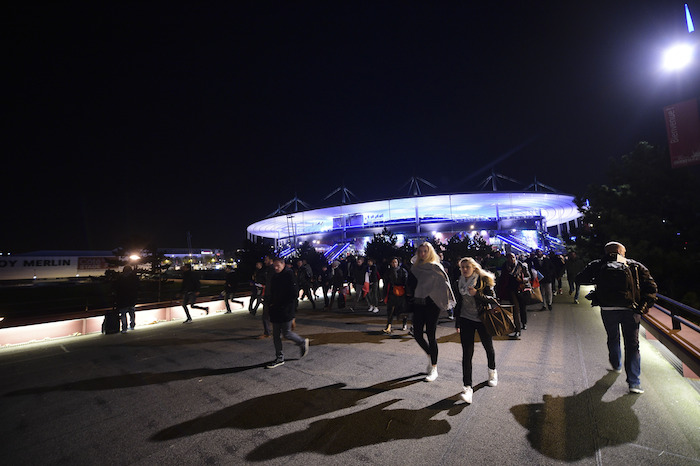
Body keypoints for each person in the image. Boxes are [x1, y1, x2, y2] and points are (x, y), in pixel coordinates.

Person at [576, 241, 657, 394]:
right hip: (630, 310)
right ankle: (634, 383)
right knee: (633, 345)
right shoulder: (635, 265)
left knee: (613, 337)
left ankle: (616, 364)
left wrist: (597, 275)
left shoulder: (598, 264)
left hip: (607, 309)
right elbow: (651, 287)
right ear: (622, 251)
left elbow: (580, 278)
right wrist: (645, 306)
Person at [408, 242, 456, 382]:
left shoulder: (436, 267)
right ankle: (430, 354)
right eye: (420, 251)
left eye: (425, 251)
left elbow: (445, 285)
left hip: (432, 304)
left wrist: (440, 297)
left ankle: (434, 368)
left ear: (430, 253)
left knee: (431, 334)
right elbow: (410, 284)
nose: (422, 254)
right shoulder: (415, 267)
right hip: (418, 303)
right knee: (417, 334)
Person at [453, 257, 498, 404]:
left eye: (467, 267)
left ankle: (492, 372)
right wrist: (457, 322)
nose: (464, 270)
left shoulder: (482, 280)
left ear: (473, 268)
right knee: (467, 354)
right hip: (466, 320)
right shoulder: (459, 282)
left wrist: (477, 294)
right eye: (462, 267)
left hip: (482, 320)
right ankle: (467, 387)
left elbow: (493, 299)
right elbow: (458, 304)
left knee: (488, 348)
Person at [266, 257, 310, 368]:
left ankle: (301, 342)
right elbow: (272, 291)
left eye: (278, 266)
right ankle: (279, 358)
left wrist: (292, 311)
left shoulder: (289, 275)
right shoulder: (275, 275)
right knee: (276, 335)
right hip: (275, 309)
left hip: (286, 310)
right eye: (274, 266)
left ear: (283, 264)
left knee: (287, 333)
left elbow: (294, 294)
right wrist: (270, 303)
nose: (276, 268)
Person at [498, 253, 530, 337]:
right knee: (515, 310)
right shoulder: (505, 266)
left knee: (522, 307)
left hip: (521, 289)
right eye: (509, 258)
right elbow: (502, 278)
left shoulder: (521, 265)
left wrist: (522, 280)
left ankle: (524, 322)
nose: (511, 260)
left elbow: (528, 277)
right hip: (511, 290)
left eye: (512, 258)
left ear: (515, 258)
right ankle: (517, 330)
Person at [383, 257, 408, 334]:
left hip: (401, 292)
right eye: (393, 262)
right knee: (390, 310)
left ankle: (404, 323)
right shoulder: (388, 272)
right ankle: (389, 325)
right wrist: (384, 295)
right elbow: (385, 284)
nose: (394, 264)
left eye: (395, 262)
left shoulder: (403, 271)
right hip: (391, 292)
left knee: (402, 309)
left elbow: (406, 282)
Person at [115, 265, 139, 333]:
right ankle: (132, 325)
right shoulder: (134, 278)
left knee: (123, 314)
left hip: (122, 299)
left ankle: (124, 328)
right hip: (132, 299)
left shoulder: (120, 278)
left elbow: (117, 288)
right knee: (132, 313)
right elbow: (137, 287)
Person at [259, 255, 275, 338]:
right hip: (268, 295)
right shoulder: (267, 270)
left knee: (266, 315)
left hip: (271, 296)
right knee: (267, 315)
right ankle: (268, 331)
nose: (264, 262)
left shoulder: (272, 270)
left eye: (266, 260)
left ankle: (267, 332)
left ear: (271, 260)